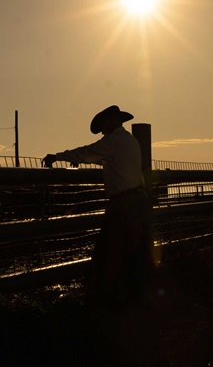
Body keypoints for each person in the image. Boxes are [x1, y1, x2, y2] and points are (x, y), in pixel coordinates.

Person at [42, 105, 153, 307]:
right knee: (134, 250)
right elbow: (105, 159)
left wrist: (58, 157)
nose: (102, 130)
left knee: (111, 251)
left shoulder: (112, 142)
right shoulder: (130, 141)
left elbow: (88, 152)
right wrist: (84, 159)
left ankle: (110, 302)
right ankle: (136, 298)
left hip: (123, 205)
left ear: (111, 121)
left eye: (103, 125)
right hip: (138, 200)